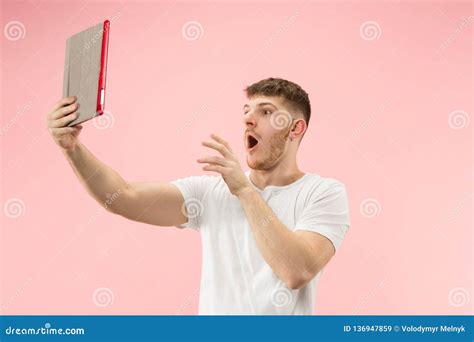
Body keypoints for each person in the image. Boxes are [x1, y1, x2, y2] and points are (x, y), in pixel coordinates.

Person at [46, 77, 350, 315]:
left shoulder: (323, 193)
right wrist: (71, 148)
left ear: (296, 128)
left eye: (266, 112)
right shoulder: (209, 193)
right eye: (246, 111)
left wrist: (244, 190)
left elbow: (296, 271)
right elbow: (122, 196)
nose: (248, 119)